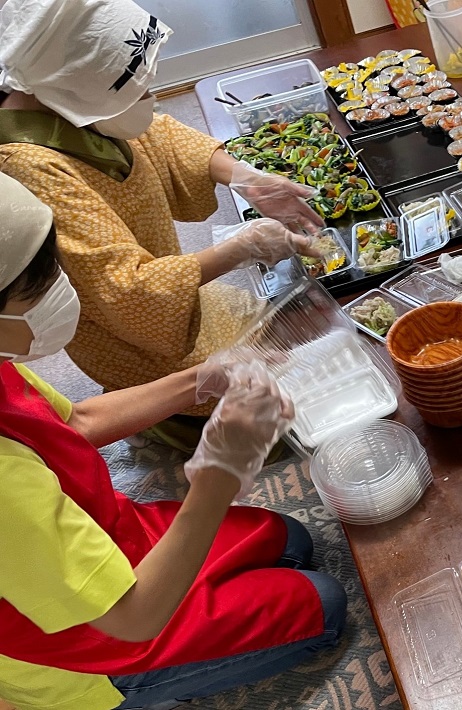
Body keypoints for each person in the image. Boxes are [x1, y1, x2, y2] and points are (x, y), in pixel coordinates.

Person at [0, 172, 347, 710]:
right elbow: (132, 618)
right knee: (323, 605)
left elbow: (77, 422)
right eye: (35, 292)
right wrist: (219, 474)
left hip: (106, 536)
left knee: (290, 542)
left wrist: (200, 379)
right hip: (89, 642)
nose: (59, 295)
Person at [0, 0, 325, 435]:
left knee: (281, 337)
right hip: (136, 333)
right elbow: (125, 291)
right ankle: (169, 418)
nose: (146, 98)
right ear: (73, 88)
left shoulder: (68, 100)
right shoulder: (27, 168)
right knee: (272, 403)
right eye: (132, 91)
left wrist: (245, 177)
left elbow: (155, 134)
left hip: (177, 292)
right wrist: (241, 249)